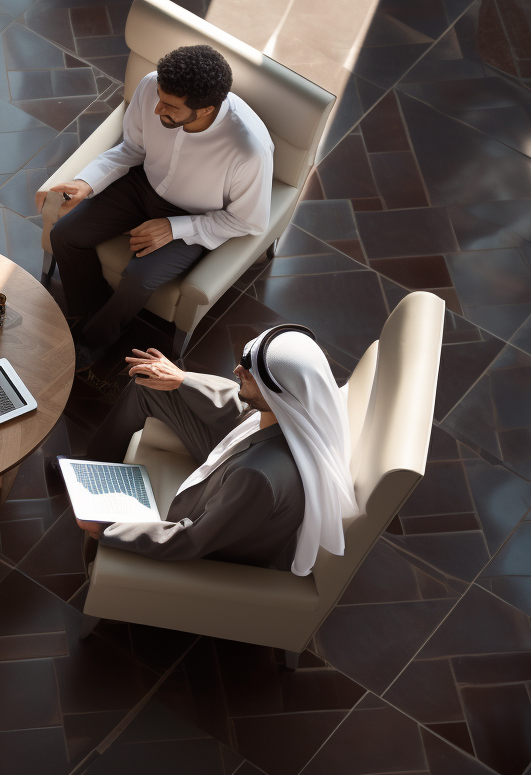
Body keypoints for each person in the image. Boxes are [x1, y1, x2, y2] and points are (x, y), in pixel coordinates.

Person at [45, 45, 274, 371]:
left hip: (193, 218)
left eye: (169, 107)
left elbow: (249, 222)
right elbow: (132, 149)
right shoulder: (152, 86)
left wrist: (175, 228)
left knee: (139, 279)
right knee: (65, 233)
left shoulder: (248, 150)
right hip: (141, 186)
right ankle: (91, 312)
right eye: (159, 97)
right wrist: (88, 182)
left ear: (206, 109)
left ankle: (95, 340)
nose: (157, 109)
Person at [71, 325, 354, 576]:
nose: (236, 370)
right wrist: (182, 379)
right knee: (149, 386)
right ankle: (90, 469)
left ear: (276, 392)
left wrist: (109, 527)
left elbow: (191, 540)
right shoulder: (298, 409)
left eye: (248, 370)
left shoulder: (256, 476)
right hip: (234, 457)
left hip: (203, 519)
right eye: (244, 359)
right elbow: (242, 411)